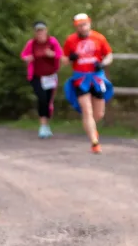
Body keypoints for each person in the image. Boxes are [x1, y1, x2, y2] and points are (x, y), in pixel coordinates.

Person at [62, 13, 114, 154]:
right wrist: (70, 58)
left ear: (89, 23)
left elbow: (109, 55)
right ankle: (94, 142)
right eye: (79, 25)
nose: (82, 27)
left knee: (99, 113)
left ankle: (92, 129)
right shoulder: (70, 40)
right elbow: (63, 60)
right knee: (87, 110)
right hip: (80, 78)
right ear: (76, 27)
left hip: (97, 78)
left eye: (84, 24)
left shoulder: (99, 37)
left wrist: (102, 63)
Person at [20, 21, 63, 138]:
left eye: (42, 30)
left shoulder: (52, 42)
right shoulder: (32, 44)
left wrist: (52, 54)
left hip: (51, 76)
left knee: (48, 101)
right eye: (38, 31)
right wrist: (27, 58)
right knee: (42, 98)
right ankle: (43, 126)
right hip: (36, 77)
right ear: (35, 32)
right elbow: (23, 55)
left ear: (46, 31)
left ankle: (47, 125)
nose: (40, 33)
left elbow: (61, 55)